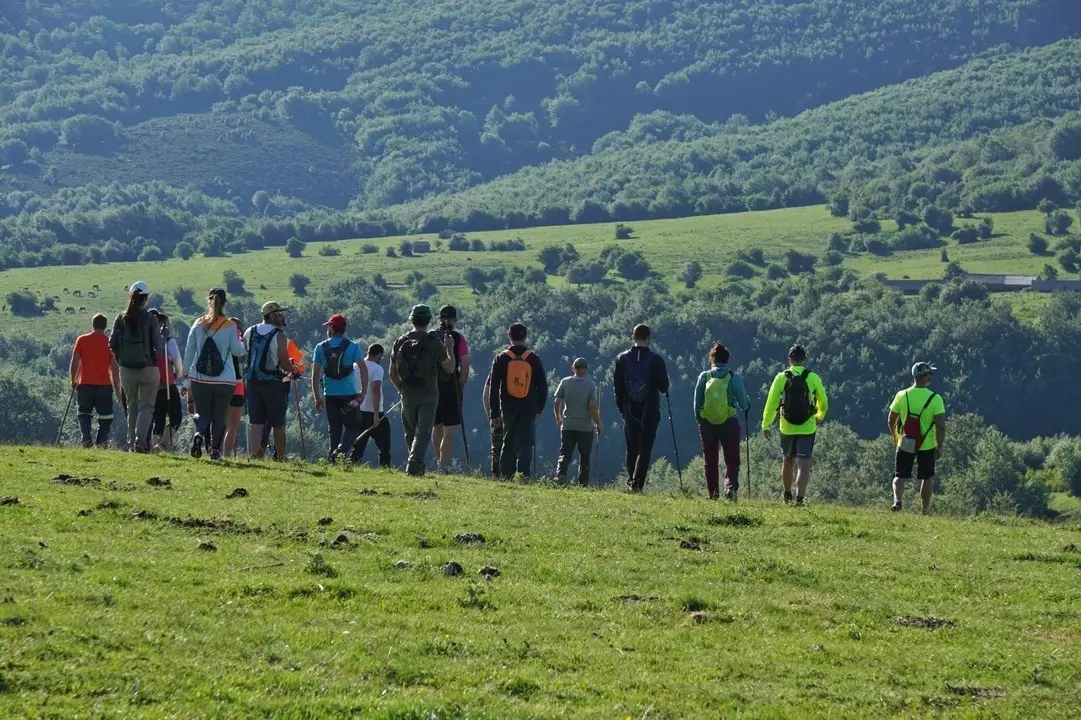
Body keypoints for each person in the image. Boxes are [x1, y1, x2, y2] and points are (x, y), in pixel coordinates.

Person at [389, 304, 454, 476]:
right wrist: (450, 349)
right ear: (428, 321)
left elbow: (392, 372)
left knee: (410, 432)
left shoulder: (400, 341)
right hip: (429, 392)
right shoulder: (434, 343)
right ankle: (414, 463)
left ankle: (415, 465)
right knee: (423, 431)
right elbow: (449, 368)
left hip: (407, 392)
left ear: (412, 319)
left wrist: (401, 388)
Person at [761, 344, 829, 506]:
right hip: (807, 427)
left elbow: (771, 403)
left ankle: (787, 494)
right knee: (803, 465)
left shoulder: (781, 377)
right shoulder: (813, 377)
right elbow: (824, 402)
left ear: (789, 360)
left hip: (787, 426)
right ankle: (800, 499)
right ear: (804, 360)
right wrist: (819, 416)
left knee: (788, 461)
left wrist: (766, 424)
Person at [183, 288, 246, 461]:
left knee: (202, 412)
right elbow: (237, 350)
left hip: (199, 377)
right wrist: (242, 343)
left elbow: (189, 351)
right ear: (225, 303)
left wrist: (185, 374)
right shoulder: (230, 325)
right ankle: (216, 451)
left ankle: (198, 433)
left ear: (208, 301)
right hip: (225, 380)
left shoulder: (198, 323)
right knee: (219, 414)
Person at [613, 324, 670, 493]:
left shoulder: (621, 359)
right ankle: (638, 485)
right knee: (644, 449)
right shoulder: (656, 360)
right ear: (648, 338)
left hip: (629, 409)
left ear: (633, 337)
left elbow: (617, 387)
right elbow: (664, 387)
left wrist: (622, 409)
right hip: (650, 409)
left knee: (631, 447)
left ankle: (631, 481)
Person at [488, 322, 547, 478]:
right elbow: (542, 385)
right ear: (525, 336)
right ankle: (523, 475)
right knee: (526, 442)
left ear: (509, 336)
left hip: (508, 406)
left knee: (509, 440)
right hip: (529, 406)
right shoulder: (533, 358)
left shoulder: (501, 358)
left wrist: (494, 413)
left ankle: (506, 474)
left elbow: (493, 388)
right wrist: (540, 406)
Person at [693, 343, 751, 501]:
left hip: (707, 423)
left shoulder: (704, 377)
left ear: (712, 359)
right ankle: (730, 487)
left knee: (710, 460)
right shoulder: (734, 377)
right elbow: (744, 404)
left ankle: (713, 494)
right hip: (730, 422)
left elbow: (697, 403)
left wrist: (701, 420)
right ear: (727, 360)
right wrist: (747, 403)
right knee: (732, 459)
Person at [888, 362, 947, 514]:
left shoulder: (902, 395)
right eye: (930, 374)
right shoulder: (935, 399)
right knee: (926, 477)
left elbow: (891, 420)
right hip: (926, 445)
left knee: (899, 474)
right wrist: (939, 446)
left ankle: (897, 501)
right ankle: (925, 510)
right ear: (926, 376)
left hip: (905, 441)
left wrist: (895, 437)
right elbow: (941, 426)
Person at [110, 281, 162, 452]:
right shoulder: (151, 318)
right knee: (146, 406)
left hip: (127, 370)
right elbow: (158, 346)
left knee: (131, 405)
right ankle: (140, 441)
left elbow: (112, 343)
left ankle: (131, 442)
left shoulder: (121, 318)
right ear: (145, 298)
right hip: (148, 368)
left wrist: (121, 359)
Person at [244, 301, 299, 460]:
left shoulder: (250, 331)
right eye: (280, 313)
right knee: (277, 422)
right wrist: (294, 370)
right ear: (273, 315)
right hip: (272, 383)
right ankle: (281, 457)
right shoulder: (279, 335)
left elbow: (244, 354)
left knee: (256, 422)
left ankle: (254, 455)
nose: (282, 316)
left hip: (252, 382)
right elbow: (284, 362)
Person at [312, 314, 367, 461]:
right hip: (349, 394)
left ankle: (332, 457)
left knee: (334, 428)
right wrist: (363, 391)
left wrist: (317, 397)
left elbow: (315, 375)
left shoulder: (320, 347)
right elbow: (363, 368)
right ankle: (340, 452)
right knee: (354, 426)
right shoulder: (353, 346)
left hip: (330, 393)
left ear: (331, 327)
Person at [70, 313, 121, 448]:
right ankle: (101, 443)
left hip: (85, 384)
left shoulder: (82, 340)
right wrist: (117, 388)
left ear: (92, 325)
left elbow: (75, 361)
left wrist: (73, 380)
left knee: (84, 414)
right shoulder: (109, 343)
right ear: (105, 327)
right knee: (106, 417)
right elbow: (115, 368)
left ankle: (86, 440)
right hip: (104, 386)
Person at [431, 305, 471, 473]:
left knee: (436, 427)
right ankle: (442, 466)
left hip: (431, 388)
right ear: (454, 320)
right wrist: (461, 386)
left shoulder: (430, 337)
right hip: (450, 388)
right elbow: (465, 365)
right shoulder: (458, 338)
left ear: (439, 319)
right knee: (450, 430)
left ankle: (439, 462)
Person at [553, 358, 600, 486]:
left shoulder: (565, 382)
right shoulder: (590, 385)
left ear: (573, 368)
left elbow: (557, 402)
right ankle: (583, 483)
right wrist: (598, 424)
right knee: (584, 456)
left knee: (565, 453)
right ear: (586, 369)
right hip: (585, 426)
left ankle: (560, 476)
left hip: (568, 424)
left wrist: (558, 418)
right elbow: (592, 407)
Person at [259, 337, 305, 458]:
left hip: (259, 383)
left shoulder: (256, 336)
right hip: (280, 384)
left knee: (262, 420)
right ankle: (279, 454)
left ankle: (259, 451)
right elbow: (300, 364)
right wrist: (295, 372)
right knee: (278, 420)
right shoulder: (286, 341)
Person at [148, 312, 184, 452]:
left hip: (151, 385)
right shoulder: (168, 341)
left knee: (158, 419)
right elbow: (177, 361)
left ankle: (157, 450)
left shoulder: (147, 341)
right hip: (167, 384)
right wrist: (178, 374)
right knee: (176, 418)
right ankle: (162, 445)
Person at [352, 343, 391, 467]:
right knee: (384, 445)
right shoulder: (377, 368)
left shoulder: (356, 366)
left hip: (358, 411)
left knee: (358, 445)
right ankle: (385, 469)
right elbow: (376, 390)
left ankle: (352, 467)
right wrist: (376, 416)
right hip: (374, 412)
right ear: (379, 354)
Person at [222, 317, 247, 457]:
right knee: (233, 425)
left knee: (222, 421)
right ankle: (227, 454)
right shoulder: (240, 341)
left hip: (220, 384)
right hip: (237, 385)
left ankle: (215, 451)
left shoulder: (220, 339)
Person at [482, 372, 502, 477]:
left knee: (496, 448)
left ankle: (497, 475)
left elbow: (486, 394)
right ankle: (517, 475)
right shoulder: (527, 363)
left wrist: (490, 415)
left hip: (497, 416)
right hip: (518, 416)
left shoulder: (497, 366)